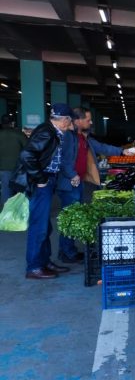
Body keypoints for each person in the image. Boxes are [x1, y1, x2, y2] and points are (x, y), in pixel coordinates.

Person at [55, 107, 135, 262]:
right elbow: (63, 160)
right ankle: (67, 252)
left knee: (72, 215)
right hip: (69, 182)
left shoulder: (83, 137)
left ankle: (67, 250)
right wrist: (72, 175)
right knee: (70, 217)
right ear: (77, 120)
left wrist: (122, 152)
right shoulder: (68, 138)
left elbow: (101, 147)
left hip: (77, 181)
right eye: (88, 120)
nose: (91, 122)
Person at [11, 104, 77, 279]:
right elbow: (27, 155)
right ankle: (33, 267)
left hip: (48, 180)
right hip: (41, 182)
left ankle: (44, 261)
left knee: (45, 226)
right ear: (64, 120)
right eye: (69, 120)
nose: (71, 124)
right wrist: (40, 179)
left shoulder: (52, 131)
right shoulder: (47, 132)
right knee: (38, 226)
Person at [0, 114, 27, 205]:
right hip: (18, 168)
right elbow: (27, 149)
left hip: (3, 168)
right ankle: (16, 213)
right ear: (12, 123)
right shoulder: (19, 134)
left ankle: (5, 213)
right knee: (20, 191)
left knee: (6, 190)